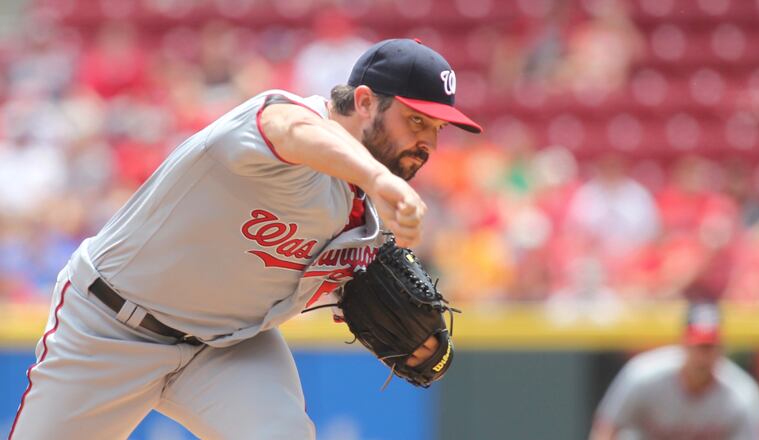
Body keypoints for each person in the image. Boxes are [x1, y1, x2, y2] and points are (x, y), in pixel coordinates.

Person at [9, 38, 481, 439]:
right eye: (416, 121)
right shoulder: (281, 119)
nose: (428, 143)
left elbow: (343, 287)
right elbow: (290, 131)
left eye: (437, 129)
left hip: (226, 349)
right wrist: (379, 178)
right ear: (363, 102)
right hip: (108, 326)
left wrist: (404, 335)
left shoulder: (367, 216)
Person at [590, 302, 759, 440]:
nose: (702, 356)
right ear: (683, 343)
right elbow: (607, 428)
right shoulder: (644, 376)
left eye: (709, 347)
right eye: (698, 346)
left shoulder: (740, 393)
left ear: (721, 348)